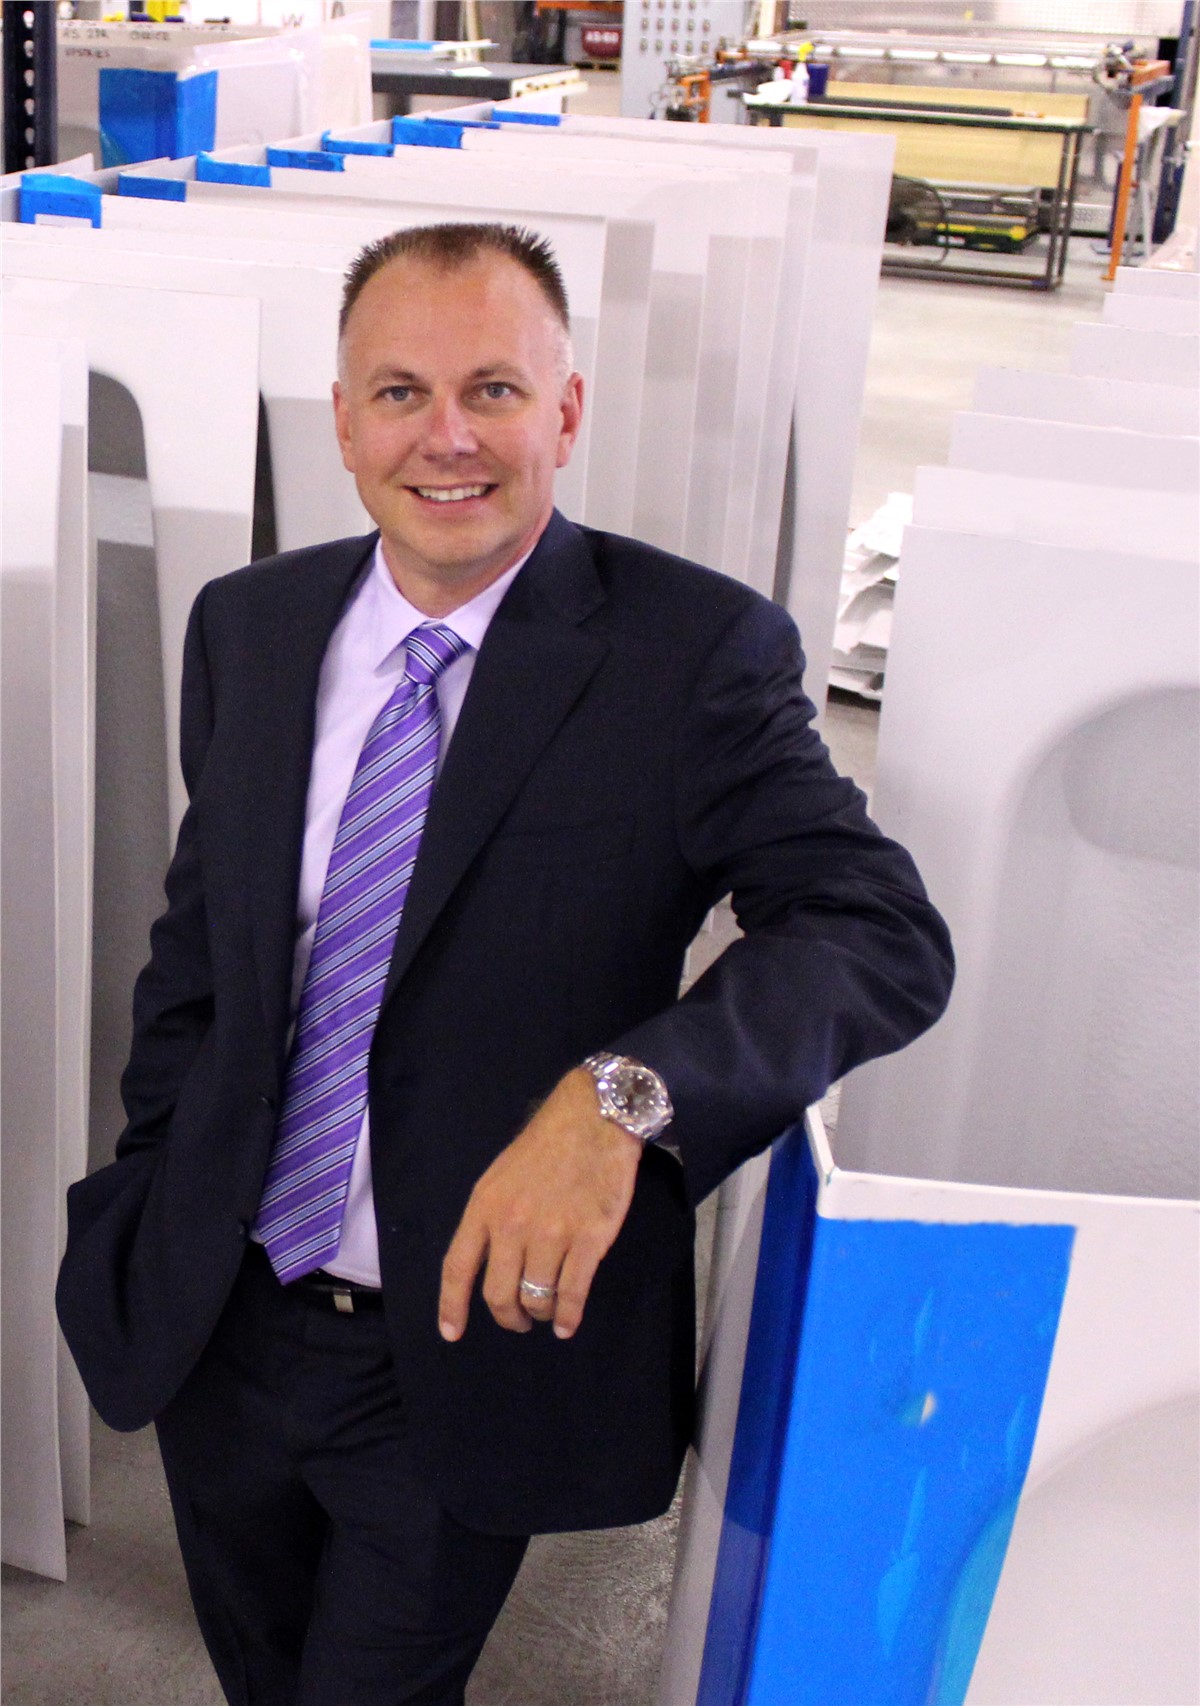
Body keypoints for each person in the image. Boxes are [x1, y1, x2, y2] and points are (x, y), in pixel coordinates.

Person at [57, 222, 953, 1706]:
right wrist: (151, 1179)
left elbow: (876, 928)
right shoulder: (254, 628)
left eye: (493, 389)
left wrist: (626, 1098)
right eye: (400, 393)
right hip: (223, 1311)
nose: (449, 437)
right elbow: (202, 957)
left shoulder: (690, 655)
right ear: (342, 421)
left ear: (567, 412)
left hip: (462, 1345)